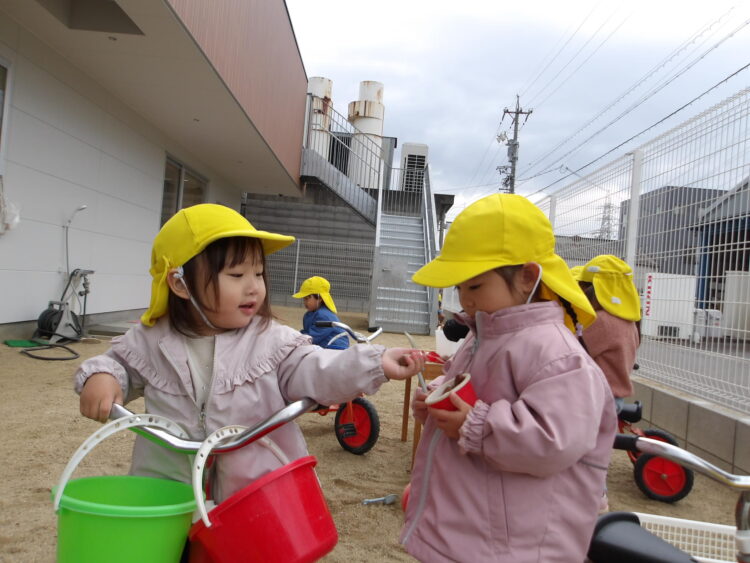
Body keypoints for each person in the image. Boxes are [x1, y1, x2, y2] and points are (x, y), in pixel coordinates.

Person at [75, 204, 424, 508]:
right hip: (169, 496)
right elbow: (118, 364)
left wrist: (373, 362)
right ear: (180, 283)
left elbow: (318, 368)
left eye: (258, 273)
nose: (254, 286)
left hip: (255, 500)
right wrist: (102, 377)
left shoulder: (271, 341)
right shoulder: (151, 339)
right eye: (237, 275)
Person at [400, 193, 617, 563]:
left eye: (475, 286)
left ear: (527, 277)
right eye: (459, 288)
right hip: (475, 529)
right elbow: (471, 384)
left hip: (517, 545)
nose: (464, 301)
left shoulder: (556, 352)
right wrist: (439, 395)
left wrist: (476, 425)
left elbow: (555, 440)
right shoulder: (485, 333)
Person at [572, 255, 641, 413]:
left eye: (583, 286)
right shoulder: (629, 321)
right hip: (613, 399)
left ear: (595, 290)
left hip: (596, 399)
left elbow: (569, 351)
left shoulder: (602, 321)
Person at [292, 276, 349, 349]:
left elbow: (313, 337)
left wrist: (295, 338)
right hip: (324, 347)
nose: (305, 302)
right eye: (304, 299)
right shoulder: (309, 314)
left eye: (307, 299)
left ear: (320, 298)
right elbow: (308, 332)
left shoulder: (324, 315)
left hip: (335, 348)